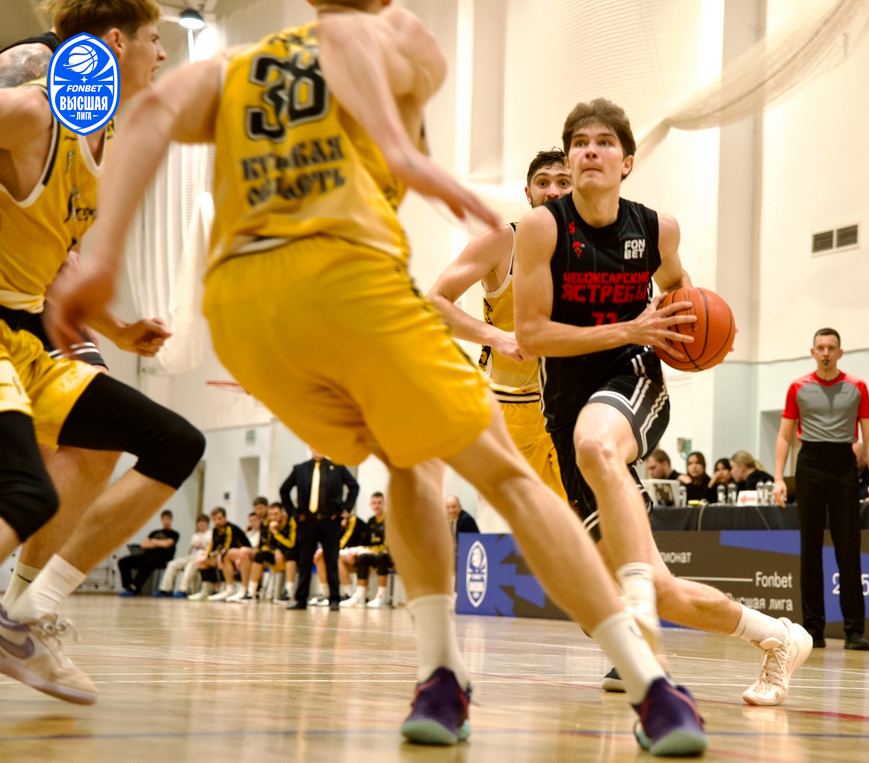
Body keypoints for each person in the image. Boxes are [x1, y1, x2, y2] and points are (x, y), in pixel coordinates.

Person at [48, 5, 704, 752]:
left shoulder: (233, 68)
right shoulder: (403, 37)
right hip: (355, 290)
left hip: (244, 312)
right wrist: (412, 159)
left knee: (410, 464)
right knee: (507, 481)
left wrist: (104, 257)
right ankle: (650, 687)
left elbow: (149, 114)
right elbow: (363, 66)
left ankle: (441, 674)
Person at [513, 96, 811, 708]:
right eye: (580, 143)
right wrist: (630, 326)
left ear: (626, 161)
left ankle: (637, 609)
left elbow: (680, 293)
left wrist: (697, 336)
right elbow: (532, 336)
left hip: (631, 378)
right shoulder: (543, 229)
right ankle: (780, 638)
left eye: (604, 142)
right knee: (661, 589)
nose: (590, 151)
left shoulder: (657, 230)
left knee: (596, 442)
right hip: (566, 402)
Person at [0, 0, 205, 706]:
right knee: (26, 489)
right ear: (115, 43)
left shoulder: (103, 132)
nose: (163, 54)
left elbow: (58, 251)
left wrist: (117, 331)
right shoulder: (32, 107)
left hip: (32, 326)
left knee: (171, 441)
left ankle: (25, 612)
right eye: (154, 39)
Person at [426, 149, 571, 500]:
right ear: (528, 193)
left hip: (571, 402)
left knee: (583, 517)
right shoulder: (502, 241)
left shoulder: (595, 249)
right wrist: (498, 337)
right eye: (543, 183)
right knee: (529, 518)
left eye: (563, 182)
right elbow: (434, 302)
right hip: (511, 406)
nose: (553, 190)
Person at [774, 328, 869, 652]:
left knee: (848, 547)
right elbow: (784, 435)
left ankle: (854, 631)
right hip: (809, 461)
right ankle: (813, 629)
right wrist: (778, 477)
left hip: (843, 462)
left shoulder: (857, 387)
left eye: (831, 348)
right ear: (813, 352)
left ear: (839, 353)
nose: (825, 352)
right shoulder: (798, 387)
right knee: (810, 547)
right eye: (820, 347)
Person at [280, 449, 359, 611]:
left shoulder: (337, 467)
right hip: (307, 521)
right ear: (309, 447)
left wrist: (345, 509)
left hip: (330, 521)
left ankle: (334, 598)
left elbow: (354, 487)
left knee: (331, 560)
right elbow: (284, 490)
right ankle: (301, 599)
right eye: (313, 446)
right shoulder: (300, 469)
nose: (317, 449)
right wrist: (293, 513)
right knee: (305, 561)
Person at [344, 492, 393, 608]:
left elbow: (386, 546)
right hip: (373, 553)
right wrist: (357, 549)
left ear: (384, 504)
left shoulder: (389, 519)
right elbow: (365, 541)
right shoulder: (371, 521)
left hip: (389, 555)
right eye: (374, 503)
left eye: (379, 503)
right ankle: (359, 596)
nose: (377, 506)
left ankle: (381, 597)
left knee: (382, 557)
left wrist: (366, 549)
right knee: (362, 557)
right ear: (370, 504)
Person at [311, 508, 368, 605]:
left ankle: (349, 593)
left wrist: (326, 549)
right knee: (321, 557)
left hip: (360, 554)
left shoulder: (353, 520)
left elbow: (344, 541)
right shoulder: (336, 522)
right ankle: (326, 593)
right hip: (348, 554)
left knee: (335, 555)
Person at [117, 510, 179, 596]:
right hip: (147, 555)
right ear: (161, 520)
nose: (165, 521)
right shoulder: (154, 532)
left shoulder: (174, 534)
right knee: (123, 562)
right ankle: (128, 586)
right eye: (164, 519)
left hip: (162, 557)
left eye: (167, 519)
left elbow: (167, 545)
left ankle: (135, 588)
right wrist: (160, 543)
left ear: (171, 520)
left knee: (148, 562)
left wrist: (153, 541)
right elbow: (144, 545)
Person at [200, 508, 252, 602]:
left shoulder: (230, 528)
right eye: (214, 519)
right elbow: (212, 546)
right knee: (201, 560)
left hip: (243, 554)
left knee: (222, 557)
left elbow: (226, 547)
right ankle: (206, 590)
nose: (217, 522)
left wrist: (214, 554)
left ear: (225, 518)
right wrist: (206, 554)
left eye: (219, 518)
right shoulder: (215, 530)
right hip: (228, 555)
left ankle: (227, 588)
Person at [154, 514, 211, 597]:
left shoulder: (211, 534)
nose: (201, 524)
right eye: (200, 522)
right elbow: (190, 552)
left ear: (207, 523)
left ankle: (183, 590)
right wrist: (193, 546)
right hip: (193, 556)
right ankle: (165, 590)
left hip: (203, 556)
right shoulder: (196, 535)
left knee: (190, 565)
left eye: (204, 522)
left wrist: (202, 547)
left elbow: (212, 549)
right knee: (172, 564)